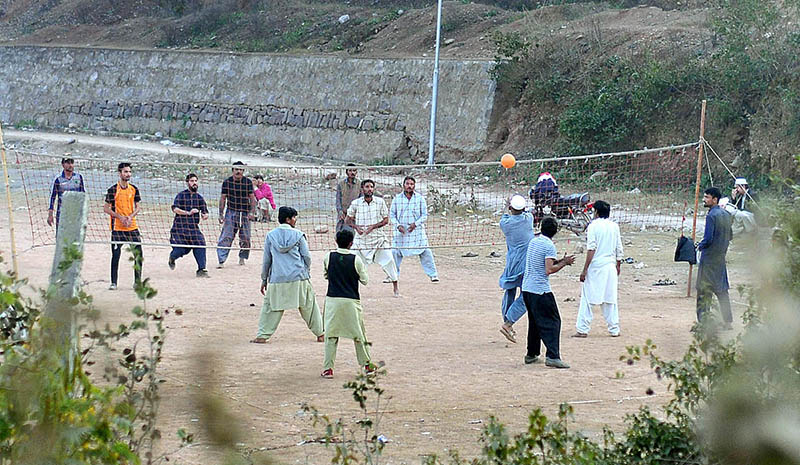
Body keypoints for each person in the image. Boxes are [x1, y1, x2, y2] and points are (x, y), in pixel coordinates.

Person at [251, 206, 324, 344]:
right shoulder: (299, 235)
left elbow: (267, 260)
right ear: (288, 219)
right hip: (299, 276)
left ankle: (262, 335)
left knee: (270, 307)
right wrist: (306, 270)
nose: (295, 220)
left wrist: (264, 279)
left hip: (277, 278)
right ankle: (320, 334)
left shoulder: (270, 236)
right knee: (309, 306)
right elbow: (307, 257)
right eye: (294, 217)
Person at [521, 216, 575, 368]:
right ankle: (552, 356)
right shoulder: (549, 246)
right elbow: (548, 269)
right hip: (539, 290)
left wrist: (559, 261)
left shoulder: (534, 241)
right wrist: (564, 263)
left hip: (527, 289)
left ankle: (531, 354)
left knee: (535, 322)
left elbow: (542, 262)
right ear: (556, 231)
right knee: (553, 321)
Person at [320, 228, 374, 379]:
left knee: (331, 335)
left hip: (332, 301)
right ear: (351, 243)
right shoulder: (356, 259)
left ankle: (328, 369)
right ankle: (367, 365)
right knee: (359, 335)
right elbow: (365, 280)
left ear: (336, 241)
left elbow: (326, 275)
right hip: (351, 301)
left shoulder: (328, 257)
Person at [572, 200, 624, 338]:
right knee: (610, 298)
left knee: (587, 298)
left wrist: (584, 270)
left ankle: (582, 329)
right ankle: (614, 329)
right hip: (610, 266)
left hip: (596, 266)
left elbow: (591, 248)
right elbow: (619, 247)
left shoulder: (593, 226)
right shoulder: (614, 226)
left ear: (596, 212)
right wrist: (618, 265)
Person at [346, 179, 400, 297]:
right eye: (367, 187)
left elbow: (386, 220)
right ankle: (350, 289)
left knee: (389, 260)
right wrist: (356, 228)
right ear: (362, 189)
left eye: (371, 187)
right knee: (352, 262)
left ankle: (395, 287)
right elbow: (347, 219)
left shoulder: (380, 202)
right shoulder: (356, 203)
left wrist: (373, 227)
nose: (369, 189)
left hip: (378, 238)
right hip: (361, 240)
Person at [498, 194, 534, 343]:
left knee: (510, 291)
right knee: (527, 295)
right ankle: (508, 323)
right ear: (524, 208)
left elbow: (506, 216)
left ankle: (507, 320)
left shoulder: (505, 224)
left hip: (512, 263)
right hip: (526, 263)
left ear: (510, 207)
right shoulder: (528, 220)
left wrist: (508, 205)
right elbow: (527, 212)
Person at [696, 187, 733, 329]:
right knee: (722, 290)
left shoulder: (711, 216)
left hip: (709, 259)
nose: (704, 200)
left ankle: (703, 324)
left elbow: (708, 238)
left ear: (715, 199)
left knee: (703, 291)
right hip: (720, 258)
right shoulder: (726, 214)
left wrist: (699, 246)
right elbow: (730, 235)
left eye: (707, 197)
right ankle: (728, 322)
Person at [390, 176, 439, 283]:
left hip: (416, 231)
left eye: (412, 184)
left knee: (426, 251)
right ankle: (392, 275)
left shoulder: (420, 198)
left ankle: (433, 274)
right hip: (401, 232)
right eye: (407, 184)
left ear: (414, 186)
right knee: (394, 251)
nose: (409, 186)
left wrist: (415, 224)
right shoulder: (397, 199)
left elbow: (425, 215)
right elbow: (392, 215)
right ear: (403, 185)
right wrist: (398, 225)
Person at [103, 162, 142, 290]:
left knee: (138, 254)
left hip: (132, 227)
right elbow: (106, 208)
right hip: (118, 227)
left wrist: (130, 216)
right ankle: (114, 282)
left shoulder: (134, 189)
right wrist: (120, 217)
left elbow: (138, 207)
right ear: (120, 173)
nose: (128, 174)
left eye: (129, 172)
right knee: (116, 255)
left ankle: (137, 282)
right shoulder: (113, 190)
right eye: (125, 172)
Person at [168, 173, 211, 278]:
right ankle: (172, 258)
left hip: (193, 228)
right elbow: (175, 209)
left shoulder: (199, 198)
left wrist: (205, 215)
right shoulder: (181, 195)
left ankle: (201, 269)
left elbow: (205, 212)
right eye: (192, 181)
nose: (194, 183)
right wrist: (188, 212)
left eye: (196, 181)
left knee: (200, 244)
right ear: (187, 183)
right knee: (181, 250)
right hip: (179, 228)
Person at [217, 161, 256, 267]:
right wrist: (221, 214)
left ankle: (242, 257)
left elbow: (252, 198)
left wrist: (252, 212)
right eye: (236, 169)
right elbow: (223, 198)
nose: (238, 171)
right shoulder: (227, 182)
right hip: (231, 211)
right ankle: (221, 260)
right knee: (227, 236)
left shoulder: (247, 182)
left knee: (246, 237)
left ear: (243, 171)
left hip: (245, 212)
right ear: (233, 170)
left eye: (241, 169)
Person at [47, 157, 86, 228]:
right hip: (62, 213)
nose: (70, 165)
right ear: (63, 164)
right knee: (61, 236)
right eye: (68, 163)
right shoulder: (58, 179)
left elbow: (83, 195)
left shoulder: (79, 177)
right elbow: (53, 197)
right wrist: (50, 214)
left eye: (72, 162)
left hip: (75, 212)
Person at [336, 163, 361, 232]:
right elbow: (338, 199)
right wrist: (340, 211)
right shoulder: (341, 184)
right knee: (340, 234)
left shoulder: (360, 184)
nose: (352, 172)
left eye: (354, 170)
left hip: (355, 215)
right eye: (350, 170)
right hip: (343, 214)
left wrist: (357, 213)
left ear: (356, 172)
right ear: (346, 172)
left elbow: (361, 200)